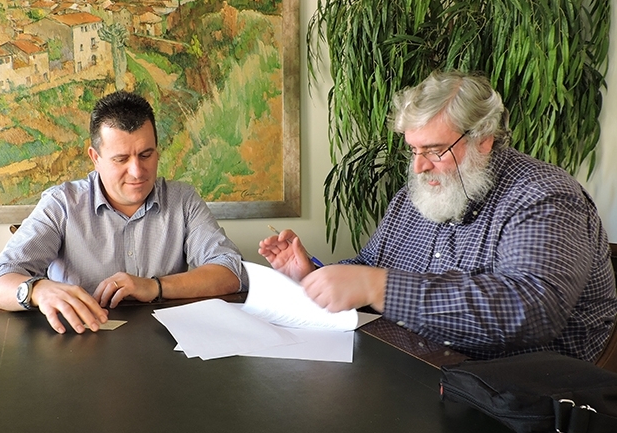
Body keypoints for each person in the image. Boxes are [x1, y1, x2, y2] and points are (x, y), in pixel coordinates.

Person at [259, 70, 617, 361]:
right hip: (421, 366)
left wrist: (380, 287)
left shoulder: (543, 196)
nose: (419, 166)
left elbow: (531, 310)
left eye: (434, 150)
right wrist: (312, 276)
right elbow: (369, 267)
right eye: (413, 150)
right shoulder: (417, 195)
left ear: (484, 138)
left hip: (523, 393)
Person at [0, 91, 246, 334]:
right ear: (95, 158)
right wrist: (37, 290)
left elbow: (232, 271)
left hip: (164, 345)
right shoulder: (62, 204)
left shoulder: (182, 200)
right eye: (121, 159)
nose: (137, 172)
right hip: (79, 347)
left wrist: (154, 286)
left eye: (146, 155)